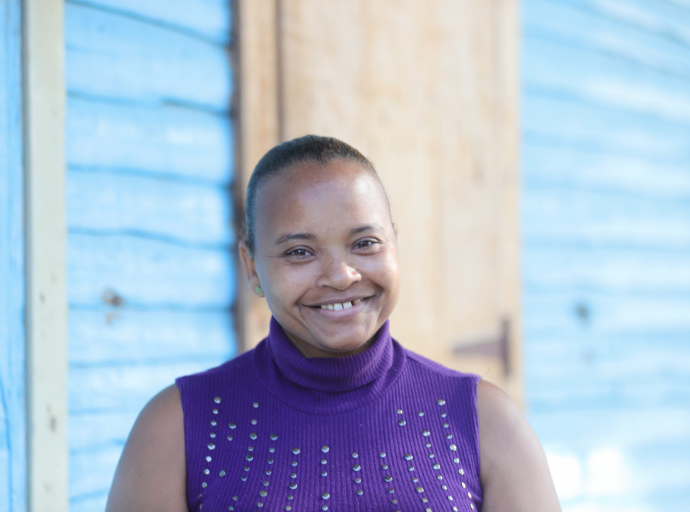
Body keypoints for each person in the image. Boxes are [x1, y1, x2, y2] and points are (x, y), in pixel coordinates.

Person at [106, 135, 561, 512]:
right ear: (251, 267)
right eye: (299, 252)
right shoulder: (178, 428)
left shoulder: (484, 422)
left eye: (365, 243)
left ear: (395, 245)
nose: (342, 275)